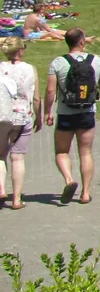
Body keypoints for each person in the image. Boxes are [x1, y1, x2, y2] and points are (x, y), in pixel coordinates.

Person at [45, 28, 100, 205]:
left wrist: (47, 112)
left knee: (61, 151)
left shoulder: (58, 62)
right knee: (86, 152)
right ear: (82, 42)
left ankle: (68, 180)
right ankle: (85, 193)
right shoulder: (96, 61)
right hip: (87, 112)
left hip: (66, 113)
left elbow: (51, 90)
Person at [0, 38, 39, 209]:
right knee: (18, 158)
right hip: (23, 116)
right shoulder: (30, 69)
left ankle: (1, 187)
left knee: (0, 155)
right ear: (20, 51)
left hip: (2, 115)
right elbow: (36, 97)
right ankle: (16, 199)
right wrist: (39, 116)